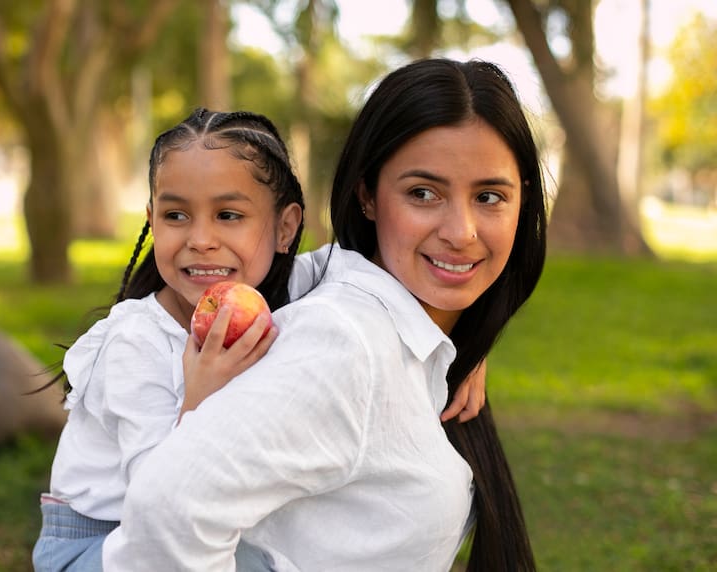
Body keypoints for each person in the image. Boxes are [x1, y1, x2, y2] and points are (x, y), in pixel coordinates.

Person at [102, 57, 545, 571]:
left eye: (489, 196)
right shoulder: (349, 343)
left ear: (523, 204)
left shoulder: (401, 332)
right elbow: (167, 512)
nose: (461, 231)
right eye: (423, 193)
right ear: (368, 196)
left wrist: (465, 345)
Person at [32, 108, 306, 572]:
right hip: (97, 545)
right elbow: (160, 503)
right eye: (176, 214)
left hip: (181, 529)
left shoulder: (289, 301)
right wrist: (198, 397)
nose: (200, 239)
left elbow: (370, 287)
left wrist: (459, 357)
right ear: (153, 221)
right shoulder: (135, 341)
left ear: (285, 227)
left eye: (228, 214)